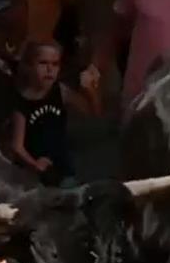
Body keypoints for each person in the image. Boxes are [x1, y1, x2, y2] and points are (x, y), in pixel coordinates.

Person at [9, 41, 101, 188]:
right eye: (43, 63)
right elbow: (17, 146)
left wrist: (89, 92)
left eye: (55, 64)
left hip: (61, 166)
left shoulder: (60, 91)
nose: (49, 69)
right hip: (32, 175)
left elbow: (93, 113)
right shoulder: (21, 101)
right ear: (29, 66)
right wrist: (35, 164)